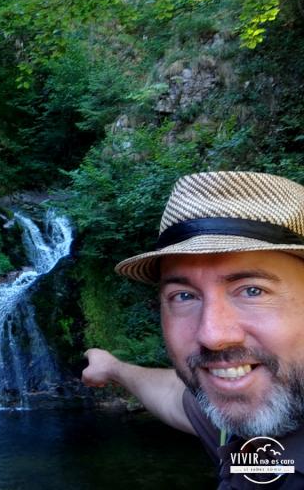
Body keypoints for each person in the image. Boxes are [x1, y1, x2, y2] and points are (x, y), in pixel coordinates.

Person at [81, 171, 304, 488]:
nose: (212, 336)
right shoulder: (240, 417)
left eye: (252, 290)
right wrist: (113, 367)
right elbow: (176, 397)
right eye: (184, 296)